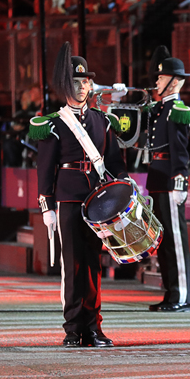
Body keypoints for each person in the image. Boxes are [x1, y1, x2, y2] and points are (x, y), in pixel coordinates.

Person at [28, 43, 128, 348]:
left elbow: (115, 165)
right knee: (71, 267)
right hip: (69, 199)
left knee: (93, 265)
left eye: (85, 82)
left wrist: (125, 193)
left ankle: (93, 327)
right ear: (65, 85)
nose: (82, 87)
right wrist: (46, 204)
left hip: (98, 201)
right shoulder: (53, 124)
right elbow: (45, 168)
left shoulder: (102, 121)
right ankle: (73, 329)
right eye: (75, 82)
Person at [144, 47, 190, 312]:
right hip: (157, 178)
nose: (157, 82)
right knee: (163, 239)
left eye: (162, 78)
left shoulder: (177, 109)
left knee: (176, 239)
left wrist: (180, 180)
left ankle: (181, 295)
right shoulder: (161, 108)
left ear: (174, 81)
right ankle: (171, 291)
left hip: (170, 178)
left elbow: (180, 150)